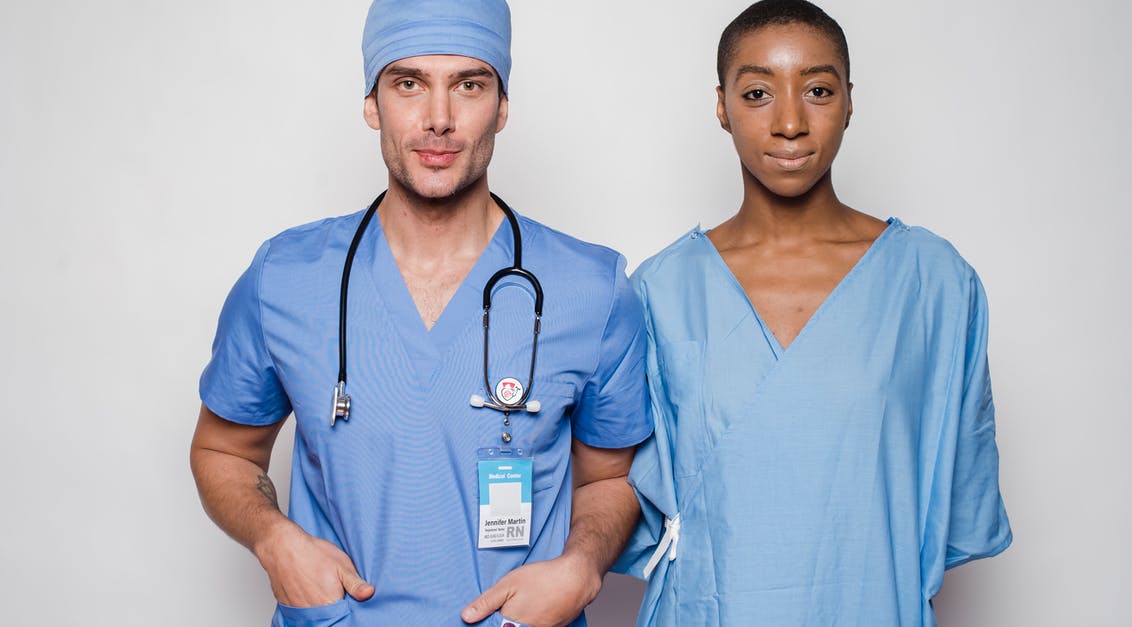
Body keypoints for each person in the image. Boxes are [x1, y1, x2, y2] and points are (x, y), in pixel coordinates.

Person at [189, 1, 652, 625]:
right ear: (372, 104)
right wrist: (274, 539)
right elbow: (223, 451)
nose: (439, 119)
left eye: (469, 85)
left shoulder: (592, 289)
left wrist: (583, 565)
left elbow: (609, 479)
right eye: (409, 84)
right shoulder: (286, 278)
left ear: (503, 107)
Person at [616, 1, 1012, 625]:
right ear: (720, 107)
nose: (790, 123)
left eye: (818, 90)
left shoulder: (933, 284)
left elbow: (958, 504)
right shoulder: (658, 292)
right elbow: (619, 497)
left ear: (850, 101)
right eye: (757, 94)